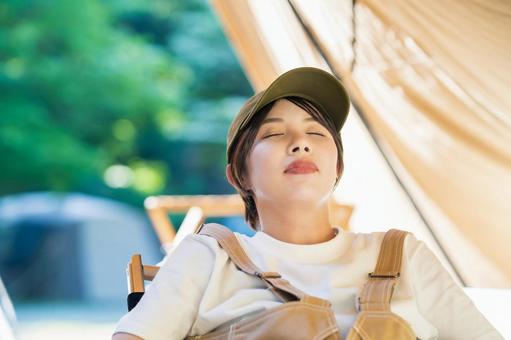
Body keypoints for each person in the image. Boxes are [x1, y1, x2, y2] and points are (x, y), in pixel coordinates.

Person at [112, 67, 503, 339]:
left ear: (337, 167)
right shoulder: (208, 257)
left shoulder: (403, 256)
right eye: (274, 133)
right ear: (239, 175)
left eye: (316, 132)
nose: (300, 143)